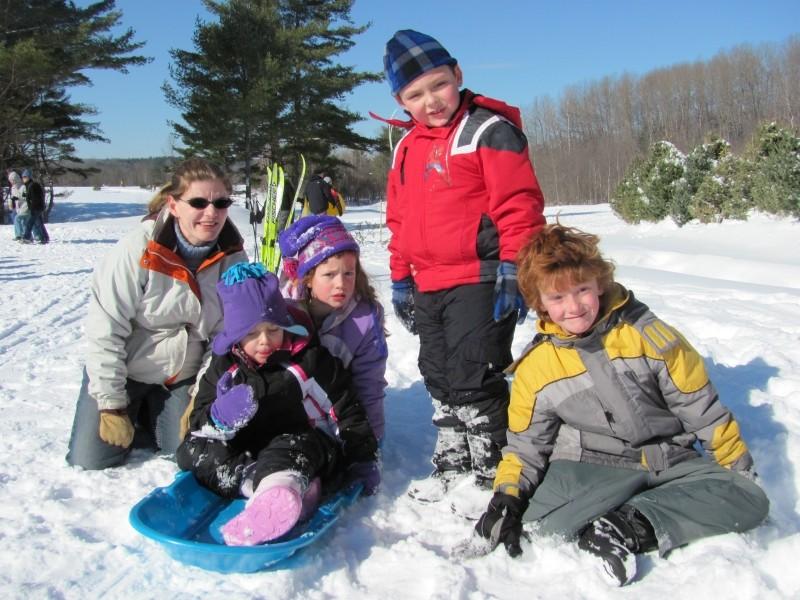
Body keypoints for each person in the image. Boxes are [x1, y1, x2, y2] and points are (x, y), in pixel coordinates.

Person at [465, 224, 769, 586]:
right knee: (532, 524)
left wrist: (735, 469)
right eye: (557, 298)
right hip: (594, 467)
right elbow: (525, 448)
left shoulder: (649, 335)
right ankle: (619, 512)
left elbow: (702, 409)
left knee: (750, 498)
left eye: (582, 291)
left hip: (670, 461)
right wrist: (507, 499)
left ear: (600, 284)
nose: (574, 307)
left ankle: (625, 525)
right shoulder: (537, 368)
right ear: (539, 303)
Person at [377, 29, 546, 501]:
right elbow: (400, 219)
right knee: (437, 369)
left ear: (458, 75)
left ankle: (493, 464)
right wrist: (398, 274)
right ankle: (454, 452)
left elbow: (519, 205)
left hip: (481, 276)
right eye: (415, 94)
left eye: (439, 85)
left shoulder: (488, 131)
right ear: (401, 100)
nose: (430, 100)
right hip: (427, 279)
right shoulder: (406, 147)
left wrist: (516, 267)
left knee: (475, 369)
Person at [176, 263, 379, 546]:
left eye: (273, 329)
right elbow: (199, 421)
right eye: (251, 334)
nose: (264, 341)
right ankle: (259, 487)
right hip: (245, 452)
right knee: (192, 450)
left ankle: (280, 490)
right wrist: (219, 419)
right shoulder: (224, 366)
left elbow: (346, 408)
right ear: (235, 337)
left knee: (294, 446)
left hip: (300, 444)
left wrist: (362, 458)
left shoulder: (308, 360)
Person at [65, 157, 248, 470]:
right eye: (199, 202)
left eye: (221, 202)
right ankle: (134, 409)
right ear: (174, 205)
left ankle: (153, 414)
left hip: (183, 375)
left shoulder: (232, 257)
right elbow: (105, 330)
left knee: (188, 455)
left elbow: (225, 336)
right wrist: (111, 405)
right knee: (91, 460)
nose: (211, 212)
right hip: (128, 370)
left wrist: (201, 394)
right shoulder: (138, 248)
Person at [278, 215, 388, 443]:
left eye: (349, 273)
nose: (341, 284)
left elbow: (369, 384)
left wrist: (370, 441)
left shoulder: (364, 317)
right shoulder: (282, 312)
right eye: (329, 274)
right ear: (307, 278)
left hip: (343, 407)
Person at [21, 169, 49, 244]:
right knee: (39, 223)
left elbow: (35, 198)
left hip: (36, 207)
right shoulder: (29, 185)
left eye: (25, 177)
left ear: (29, 177)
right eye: (23, 177)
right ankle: (45, 238)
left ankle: (27, 238)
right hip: (36, 207)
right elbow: (30, 196)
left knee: (29, 223)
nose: (23, 178)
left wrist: (33, 208)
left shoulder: (33, 185)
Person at [8, 171, 27, 240]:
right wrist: (11, 202)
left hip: (24, 207)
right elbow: (13, 196)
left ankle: (24, 235)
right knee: (17, 220)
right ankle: (19, 235)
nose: (11, 182)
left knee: (22, 221)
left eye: (12, 180)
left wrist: (18, 198)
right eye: (10, 180)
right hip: (17, 207)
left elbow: (25, 197)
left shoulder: (23, 186)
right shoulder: (13, 188)